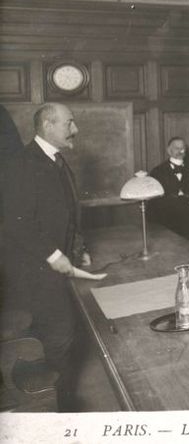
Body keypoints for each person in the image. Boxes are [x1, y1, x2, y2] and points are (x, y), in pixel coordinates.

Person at [2, 103, 92, 410]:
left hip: (55, 266)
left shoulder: (56, 160)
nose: (75, 129)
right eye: (69, 123)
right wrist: (54, 254)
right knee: (60, 335)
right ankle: (61, 408)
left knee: (63, 334)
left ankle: (62, 400)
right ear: (48, 125)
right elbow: (16, 221)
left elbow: (67, 213)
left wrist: (79, 247)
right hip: (36, 271)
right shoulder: (22, 163)